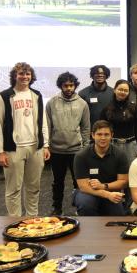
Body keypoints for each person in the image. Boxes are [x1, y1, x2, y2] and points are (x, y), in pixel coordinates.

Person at [0, 62, 50, 217]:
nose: (25, 77)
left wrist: (45, 145)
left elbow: (42, 121)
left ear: (32, 77)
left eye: (28, 74)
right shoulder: (3, 97)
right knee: (13, 189)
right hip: (13, 149)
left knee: (34, 188)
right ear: (14, 76)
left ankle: (32, 219)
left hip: (35, 148)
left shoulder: (36, 95)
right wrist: (0, 151)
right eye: (21, 74)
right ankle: (14, 221)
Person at [46, 72, 90, 215]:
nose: (69, 88)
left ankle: (80, 207)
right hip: (57, 149)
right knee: (57, 182)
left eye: (71, 85)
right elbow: (47, 125)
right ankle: (56, 208)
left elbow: (85, 127)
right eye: (66, 85)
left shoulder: (82, 103)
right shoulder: (52, 102)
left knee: (78, 182)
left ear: (75, 85)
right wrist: (47, 145)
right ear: (61, 86)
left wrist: (85, 148)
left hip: (76, 150)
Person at [72, 120, 128, 216]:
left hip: (111, 191)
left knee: (118, 216)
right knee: (86, 205)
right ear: (93, 135)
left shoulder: (120, 155)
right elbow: (83, 186)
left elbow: (123, 182)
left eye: (106, 134)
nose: (103, 138)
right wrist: (107, 195)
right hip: (88, 193)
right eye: (99, 134)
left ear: (111, 135)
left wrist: (103, 186)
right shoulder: (81, 156)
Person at [100, 79, 137, 164]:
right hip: (112, 144)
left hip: (131, 145)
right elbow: (102, 131)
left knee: (131, 172)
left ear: (128, 92)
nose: (122, 92)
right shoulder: (106, 109)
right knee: (112, 171)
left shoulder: (135, 108)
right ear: (114, 90)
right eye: (120, 89)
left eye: (125, 90)